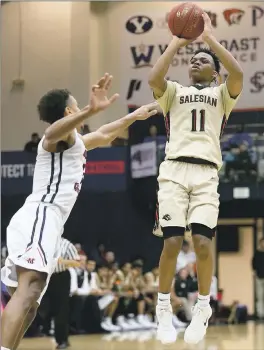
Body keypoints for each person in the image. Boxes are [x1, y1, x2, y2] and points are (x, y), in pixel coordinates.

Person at [1, 72, 159, 350]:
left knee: (30, 303)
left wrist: (136, 117)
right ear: (69, 111)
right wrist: (91, 109)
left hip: (47, 222)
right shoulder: (54, 140)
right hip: (40, 215)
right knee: (30, 289)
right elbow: (52, 132)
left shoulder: (76, 143)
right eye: (78, 107)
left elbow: (105, 133)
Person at [148, 13, 243, 345]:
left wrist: (209, 39)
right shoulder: (173, 92)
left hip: (206, 173)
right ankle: (162, 307)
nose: (194, 62)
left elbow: (238, 74)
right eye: (192, 60)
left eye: (201, 60)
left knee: (202, 244)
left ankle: (203, 307)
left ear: (213, 71)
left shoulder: (221, 95)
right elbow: (154, 77)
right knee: (172, 243)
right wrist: (178, 40)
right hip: (174, 170)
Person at [39, 238, 80, 349]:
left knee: (61, 310)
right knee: (43, 306)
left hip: (60, 277)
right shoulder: (42, 242)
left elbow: (78, 262)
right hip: (44, 276)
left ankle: (62, 340)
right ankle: (44, 329)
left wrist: (63, 261)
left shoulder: (67, 244)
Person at [252, 238, 264, 319]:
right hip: (259, 277)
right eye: (262, 243)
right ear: (260, 243)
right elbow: (253, 264)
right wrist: (254, 273)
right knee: (259, 296)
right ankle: (260, 314)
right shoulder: (257, 254)